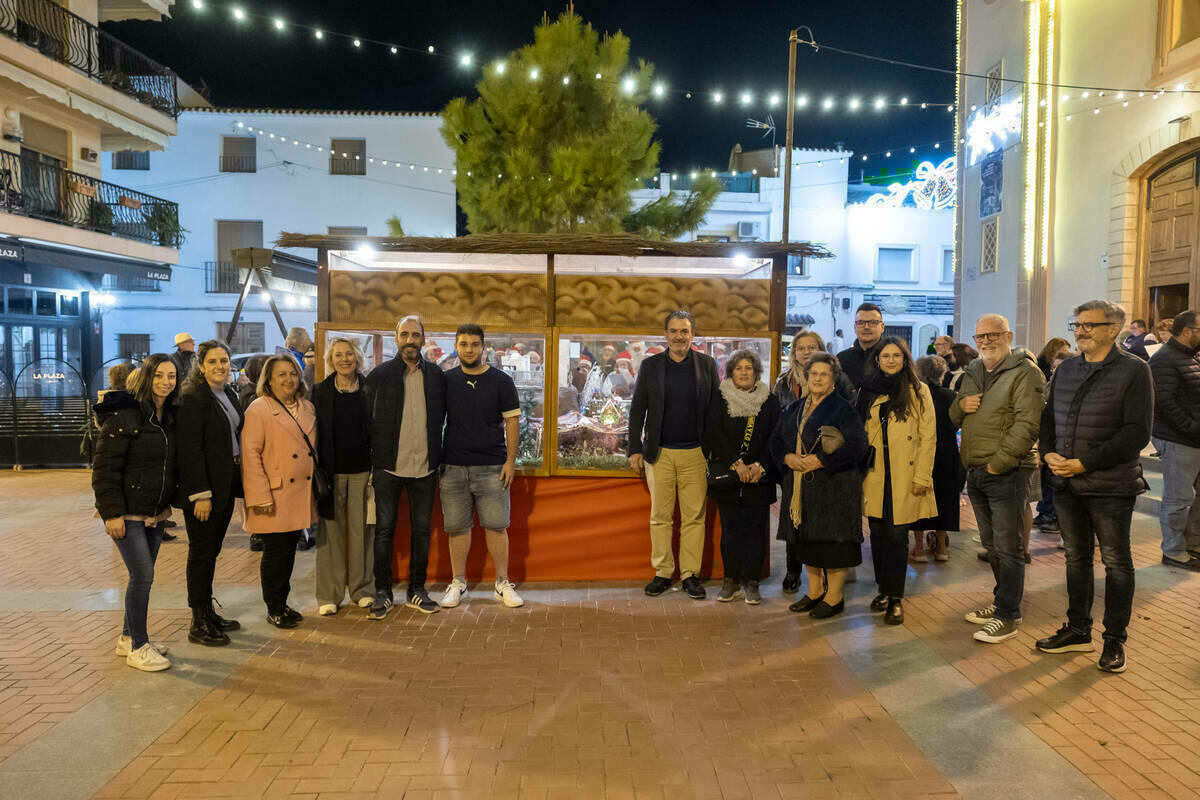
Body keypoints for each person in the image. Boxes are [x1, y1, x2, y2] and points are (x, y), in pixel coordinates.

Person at [1036, 300, 1152, 674]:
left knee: (1116, 563)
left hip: (1110, 485)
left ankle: (1114, 640)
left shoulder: (1134, 371)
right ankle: (1077, 629)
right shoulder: (1066, 368)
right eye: (1077, 324)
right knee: (1076, 559)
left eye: (1089, 324)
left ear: (1113, 328)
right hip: (1066, 482)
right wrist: (1050, 453)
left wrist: (1085, 462)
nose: (1080, 330)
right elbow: (1048, 417)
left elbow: (1136, 433)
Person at [950, 314, 1045, 645]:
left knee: (1009, 546)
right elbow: (953, 415)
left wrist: (999, 464)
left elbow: (1027, 425)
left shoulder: (1026, 372)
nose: (985, 342)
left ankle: (1008, 615)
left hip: (1007, 471)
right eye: (980, 337)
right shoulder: (974, 371)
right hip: (975, 470)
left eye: (992, 335)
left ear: (1008, 335)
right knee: (991, 545)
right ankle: (1003, 603)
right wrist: (961, 404)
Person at [91, 354, 178, 672]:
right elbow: (104, 468)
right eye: (159, 376)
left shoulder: (166, 416)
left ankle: (129, 638)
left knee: (141, 576)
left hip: (154, 511)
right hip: (127, 511)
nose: (166, 382)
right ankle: (139, 647)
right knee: (142, 576)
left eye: (171, 376)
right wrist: (110, 513)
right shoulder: (126, 415)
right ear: (145, 378)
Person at [628, 310, 720, 600]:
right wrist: (634, 448)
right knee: (660, 517)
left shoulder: (707, 365)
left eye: (685, 331)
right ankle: (663, 572)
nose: (680, 336)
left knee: (695, 518)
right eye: (674, 331)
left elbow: (716, 409)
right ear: (665, 334)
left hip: (696, 453)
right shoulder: (651, 366)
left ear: (693, 335)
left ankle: (690, 574)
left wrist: (716, 450)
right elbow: (637, 408)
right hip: (660, 453)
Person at [770, 353, 869, 619]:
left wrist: (822, 460)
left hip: (835, 487)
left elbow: (858, 445)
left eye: (824, 374)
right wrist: (787, 457)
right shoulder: (794, 408)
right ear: (805, 377)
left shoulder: (843, 408)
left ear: (833, 380)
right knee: (808, 542)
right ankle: (814, 592)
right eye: (813, 374)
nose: (817, 378)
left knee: (834, 544)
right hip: (802, 488)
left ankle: (834, 597)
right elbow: (776, 441)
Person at [365, 315, 446, 620]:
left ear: (423, 339)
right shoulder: (379, 376)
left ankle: (416, 588)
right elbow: (366, 422)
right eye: (405, 334)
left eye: (415, 335)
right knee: (384, 531)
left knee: (421, 531)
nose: (410, 340)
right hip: (387, 467)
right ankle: (382, 592)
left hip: (425, 467)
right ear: (395, 338)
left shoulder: (437, 376)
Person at [438, 323, 524, 609]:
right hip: (452, 467)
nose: (469, 349)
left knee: (497, 526)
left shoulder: (501, 381)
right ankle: (458, 582)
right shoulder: (445, 380)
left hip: (492, 467)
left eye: (474, 344)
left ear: (483, 347)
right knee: (457, 528)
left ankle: (502, 583)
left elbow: (512, 422)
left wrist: (510, 462)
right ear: (456, 346)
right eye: (463, 344)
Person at [862, 339, 937, 625]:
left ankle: (895, 597)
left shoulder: (919, 391)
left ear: (905, 359)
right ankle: (883, 588)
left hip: (904, 473)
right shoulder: (868, 391)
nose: (890, 360)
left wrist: (922, 475)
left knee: (896, 535)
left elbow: (929, 436)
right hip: (875, 472)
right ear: (877, 360)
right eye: (885, 355)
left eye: (896, 355)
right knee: (878, 534)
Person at [176, 340, 243, 647]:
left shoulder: (227, 393)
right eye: (213, 361)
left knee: (211, 550)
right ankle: (198, 621)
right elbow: (190, 451)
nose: (220, 366)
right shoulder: (193, 397)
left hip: (225, 483)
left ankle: (208, 613)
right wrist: (200, 494)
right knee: (201, 553)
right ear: (200, 366)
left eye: (224, 361)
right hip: (206, 490)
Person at [241, 355, 317, 628]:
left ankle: (282, 603)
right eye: (281, 375)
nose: (288, 380)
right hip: (274, 493)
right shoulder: (259, 408)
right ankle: (273, 606)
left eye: (293, 374)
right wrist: (260, 497)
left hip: (299, 493)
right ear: (269, 380)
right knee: (275, 553)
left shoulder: (307, 407)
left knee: (288, 552)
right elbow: (251, 455)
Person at [703, 350, 781, 605]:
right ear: (731, 372)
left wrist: (760, 465)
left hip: (759, 477)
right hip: (729, 475)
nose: (744, 372)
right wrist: (737, 464)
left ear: (756, 371)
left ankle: (752, 581)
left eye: (749, 368)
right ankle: (730, 580)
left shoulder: (769, 400)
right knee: (731, 531)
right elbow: (714, 432)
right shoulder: (720, 398)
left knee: (755, 530)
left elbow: (775, 436)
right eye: (739, 368)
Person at [312, 337, 374, 615]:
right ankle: (330, 594)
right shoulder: (319, 392)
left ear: (357, 357)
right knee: (330, 535)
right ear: (330, 360)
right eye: (338, 355)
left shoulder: (370, 389)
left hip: (363, 471)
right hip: (330, 474)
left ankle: (362, 590)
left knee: (362, 533)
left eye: (349, 354)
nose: (344, 359)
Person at [1149, 310, 1200, 571]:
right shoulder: (1164, 359)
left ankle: (1193, 545)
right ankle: (1173, 551)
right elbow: (1164, 403)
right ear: (1187, 330)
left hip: (1194, 438)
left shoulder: (1192, 357)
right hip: (1179, 439)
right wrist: (1192, 428)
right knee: (1178, 500)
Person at [909, 355, 965, 563]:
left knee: (919, 498)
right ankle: (941, 547)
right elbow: (958, 422)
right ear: (942, 374)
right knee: (945, 498)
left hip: (922, 452)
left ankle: (918, 548)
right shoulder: (950, 396)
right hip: (947, 453)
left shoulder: (915, 395)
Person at [836, 302, 886, 399]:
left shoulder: (892, 357)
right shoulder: (842, 359)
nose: (866, 327)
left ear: (882, 327)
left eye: (873, 322)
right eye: (861, 323)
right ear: (855, 327)